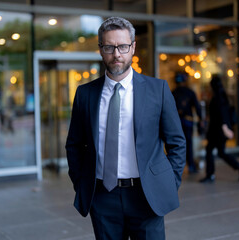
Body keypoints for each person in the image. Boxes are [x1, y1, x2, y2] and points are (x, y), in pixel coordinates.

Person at [65, 17, 186, 239]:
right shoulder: (85, 94)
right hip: (102, 197)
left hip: (147, 195)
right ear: (101, 49)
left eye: (122, 46)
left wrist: (169, 182)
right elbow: (74, 145)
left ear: (133, 48)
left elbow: (177, 142)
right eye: (109, 47)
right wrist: (81, 182)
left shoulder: (157, 90)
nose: (117, 54)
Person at [200, 75, 239, 183]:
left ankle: (210, 175)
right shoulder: (223, 96)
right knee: (221, 152)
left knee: (210, 150)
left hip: (217, 131)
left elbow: (221, 115)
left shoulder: (217, 98)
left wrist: (225, 129)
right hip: (219, 131)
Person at [172, 72, 203, 173]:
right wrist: (201, 119)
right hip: (187, 121)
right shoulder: (189, 92)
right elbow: (197, 107)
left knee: (177, 144)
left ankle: (176, 166)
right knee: (188, 143)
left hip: (176, 122)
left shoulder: (174, 92)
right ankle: (191, 166)